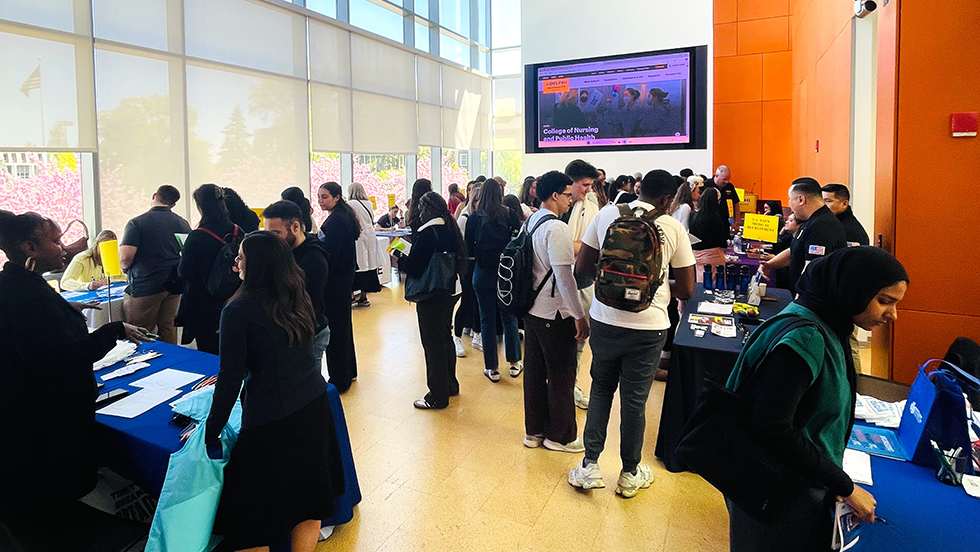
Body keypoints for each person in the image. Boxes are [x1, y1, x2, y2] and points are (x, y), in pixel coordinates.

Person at [725, 247, 908, 551]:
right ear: (851, 289)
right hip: (776, 492)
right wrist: (844, 486)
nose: (892, 314)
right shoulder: (806, 336)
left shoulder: (826, 322)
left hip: (788, 481)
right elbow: (772, 427)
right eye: (884, 301)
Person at [0, 211, 150, 523]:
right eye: (56, 242)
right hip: (52, 419)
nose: (65, 248)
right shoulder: (30, 298)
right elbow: (66, 357)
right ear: (29, 248)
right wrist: (115, 330)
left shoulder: (16, 285)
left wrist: (66, 308)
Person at [204, 231, 345, 552]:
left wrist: (210, 433)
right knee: (309, 498)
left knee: (250, 520)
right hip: (313, 404)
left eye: (240, 258)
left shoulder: (238, 309)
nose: (235, 263)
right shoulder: (297, 294)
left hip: (272, 420)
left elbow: (230, 378)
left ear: (255, 264)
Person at [569, 169, 696, 497]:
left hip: (605, 319)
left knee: (600, 391)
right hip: (649, 328)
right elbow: (686, 290)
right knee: (634, 401)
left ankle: (589, 466)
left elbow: (582, 268)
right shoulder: (672, 227)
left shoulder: (608, 213)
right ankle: (629, 472)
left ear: (639, 189)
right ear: (668, 199)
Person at [522, 171, 590, 453]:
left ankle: (534, 432)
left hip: (532, 309)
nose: (570, 200)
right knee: (562, 374)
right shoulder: (558, 228)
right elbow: (564, 277)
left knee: (535, 373)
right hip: (555, 313)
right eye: (567, 195)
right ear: (554, 196)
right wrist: (579, 315)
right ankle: (561, 436)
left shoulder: (532, 221)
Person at [395, 192, 464, 409]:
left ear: (427, 210)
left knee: (432, 343)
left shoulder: (427, 234)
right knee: (445, 337)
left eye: (421, 209)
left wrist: (401, 259)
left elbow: (415, 267)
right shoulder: (450, 228)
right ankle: (450, 385)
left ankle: (437, 395)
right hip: (450, 290)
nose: (419, 213)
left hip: (431, 293)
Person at [262, 200, 331, 373]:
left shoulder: (314, 260)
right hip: (290, 331)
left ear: (295, 226)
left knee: (307, 389)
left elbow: (305, 305)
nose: (271, 240)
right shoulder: (282, 251)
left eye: (276, 233)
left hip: (309, 334)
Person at [119, 185, 192, 345]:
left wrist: (125, 269)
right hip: (174, 284)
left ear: (154, 196)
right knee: (168, 327)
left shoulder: (137, 223)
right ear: (173, 204)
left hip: (146, 284)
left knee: (139, 330)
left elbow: (125, 257)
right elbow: (187, 252)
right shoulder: (182, 223)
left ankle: (143, 364)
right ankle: (170, 364)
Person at [466, 179, 523, 382]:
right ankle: (515, 362)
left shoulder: (474, 218)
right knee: (509, 317)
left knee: (487, 319)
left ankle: (492, 368)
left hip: (482, 272)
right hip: (505, 273)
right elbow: (518, 242)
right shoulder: (510, 214)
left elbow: (468, 247)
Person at [175, 184, 238, 354]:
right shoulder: (238, 231)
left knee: (208, 352)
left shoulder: (197, 236)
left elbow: (184, 272)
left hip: (203, 301)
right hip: (233, 297)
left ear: (201, 206)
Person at [761, 178, 847, 294]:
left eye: (789, 199)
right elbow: (795, 251)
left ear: (801, 200)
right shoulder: (811, 220)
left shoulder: (821, 226)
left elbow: (811, 272)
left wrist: (798, 304)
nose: (790, 205)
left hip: (812, 302)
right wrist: (769, 265)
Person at [821, 183, 871, 373]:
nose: (824, 205)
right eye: (822, 200)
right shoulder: (835, 224)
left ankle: (857, 387)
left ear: (844, 203)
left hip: (848, 295)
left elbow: (851, 268)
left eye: (829, 201)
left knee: (849, 343)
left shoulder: (851, 230)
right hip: (838, 292)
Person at [564, 159, 601, 409]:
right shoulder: (558, 206)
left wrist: (568, 245)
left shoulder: (591, 206)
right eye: (585, 185)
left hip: (583, 280)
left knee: (579, 337)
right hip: (557, 282)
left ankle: (572, 384)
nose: (589, 189)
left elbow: (589, 247)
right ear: (572, 183)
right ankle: (561, 384)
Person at [317, 181, 360, 392]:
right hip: (343, 278)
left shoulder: (337, 220)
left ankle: (339, 378)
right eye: (319, 197)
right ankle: (348, 371)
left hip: (336, 280)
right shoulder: (341, 216)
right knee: (342, 327)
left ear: (336, 197)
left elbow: (329, 251)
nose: (320, 201)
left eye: (324, 197)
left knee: (335, 328)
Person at [455, 184, 483, 355]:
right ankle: (457, 337)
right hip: (467, 264)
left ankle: (477, 333)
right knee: (466, 300)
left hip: (477, 263)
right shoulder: (465, 218)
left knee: (478, 301)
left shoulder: (478, 217)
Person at [347, 183, 384, 307]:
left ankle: (351, 295)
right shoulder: (369, 203)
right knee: (369, 265)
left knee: (357, 265)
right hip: (371, 236)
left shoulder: (350, 204)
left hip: (359, 236)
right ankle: (363, 297)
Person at [60, 229, 125, 291]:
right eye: (105, 244)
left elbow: (124, 277)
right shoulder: (82, 258)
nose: (108, 250)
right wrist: (88, 286)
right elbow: (65, 282)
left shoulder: (114, 258)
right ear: (97, 245)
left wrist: (109, 280)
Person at [689, 188, 730, 283]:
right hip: (713, 256)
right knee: (715, 284)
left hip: (696, 254)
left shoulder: (693, 215)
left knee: (700, 280)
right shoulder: (715, 218)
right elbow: (721, 241)